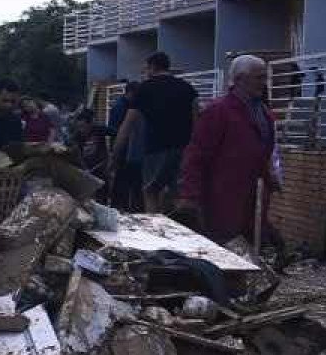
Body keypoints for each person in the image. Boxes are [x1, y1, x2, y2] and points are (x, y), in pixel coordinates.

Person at [179, 54, 279, 244]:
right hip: (221, 197)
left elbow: (263, 152)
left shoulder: (263, 113)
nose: (263, 83)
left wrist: (269, 177)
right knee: (222, 248)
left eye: (264, 77)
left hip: (251, 198)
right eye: (258, 78)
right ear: (240, 79)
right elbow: (196, 155)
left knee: (248, 251)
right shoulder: (219, 111)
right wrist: (190, 194)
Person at [110, 51, 198, 212]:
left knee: (150, 191)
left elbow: (127, 126)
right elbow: (197, 120)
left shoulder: (144, 89)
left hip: (155, 149)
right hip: (183, 149)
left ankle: (155, 229)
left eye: (146, 70)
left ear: (152, 67)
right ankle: (180, 229)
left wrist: (115, 155)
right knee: (179, 196)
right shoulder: (187, 88)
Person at [106, 80, 144, 211]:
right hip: (124, 149)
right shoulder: (121, 107)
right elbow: (116, 131)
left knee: (123, 181)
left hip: (127, 149)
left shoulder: (125, 105)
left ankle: (121, 207)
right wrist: (115, 153)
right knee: (122, 181)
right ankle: (119, 208)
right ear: (130, 93)